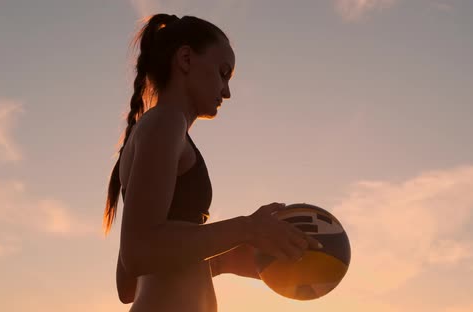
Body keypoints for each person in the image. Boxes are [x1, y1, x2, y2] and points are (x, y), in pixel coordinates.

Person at [103, 13, 322, 312]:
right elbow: (139, 252)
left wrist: (246, 256)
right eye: (223, 72)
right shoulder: (166, 122)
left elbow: (128, 284)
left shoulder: (158, 129)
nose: (227, 91)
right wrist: (248, 228)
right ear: (185, 59)